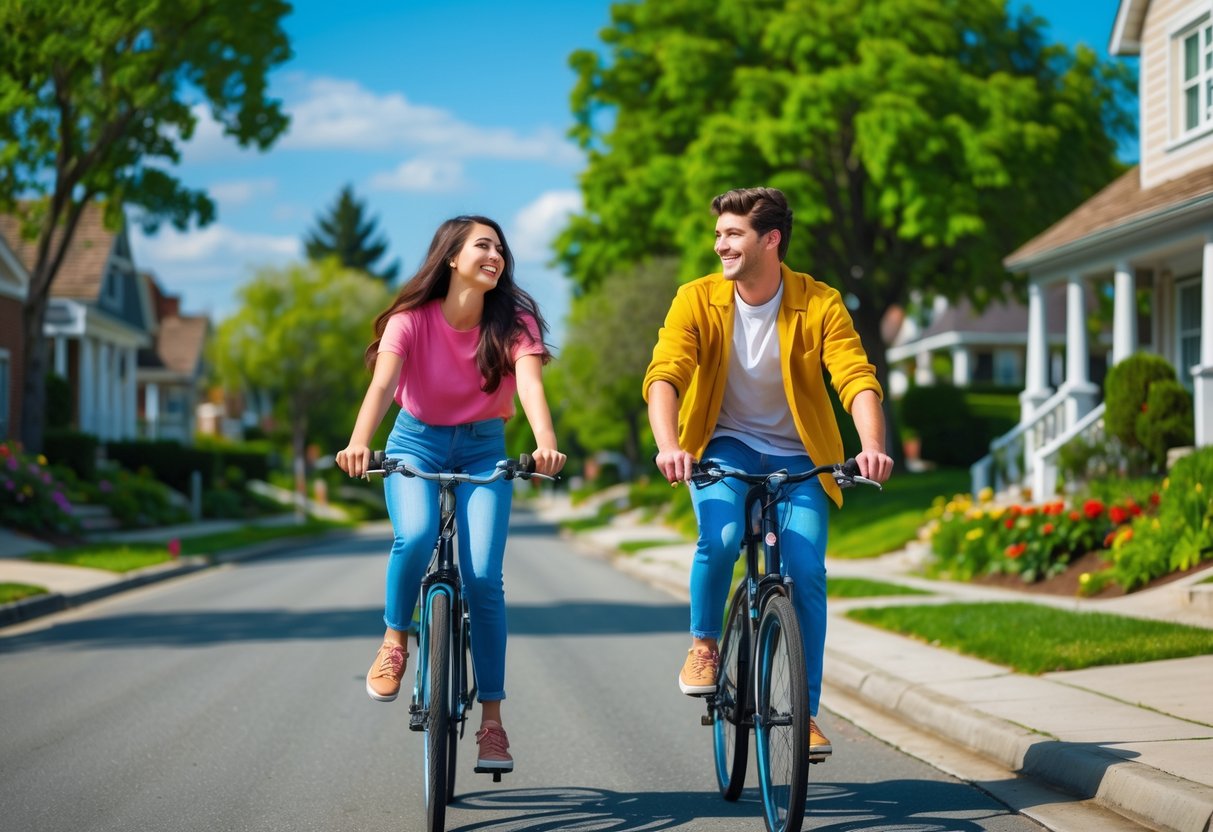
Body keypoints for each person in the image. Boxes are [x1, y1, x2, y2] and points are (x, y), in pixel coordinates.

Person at [643, 187, 893, 762]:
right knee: (723, 537)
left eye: (732, 234)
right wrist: (670, 445)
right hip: (723, 448)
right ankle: (704, 645)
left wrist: (872, 446)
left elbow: (854, 377)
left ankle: (803, 714)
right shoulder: (696, 299)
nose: (720, 245)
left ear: (771, 239)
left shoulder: (820, 303)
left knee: (806, 572)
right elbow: (666, 375)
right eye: (718, 235)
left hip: (800, 456)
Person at [336, 214, 566, 774]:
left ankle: (492, 721)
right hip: (415, 442)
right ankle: (396, 639)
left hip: (486, 447)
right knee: (414, 535)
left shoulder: (516, 321)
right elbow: (384, 385)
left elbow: (530, 384)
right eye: (483, 246)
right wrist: (359, 443)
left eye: (501, 249)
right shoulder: (409, 320)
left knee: (484, 577)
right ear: (451, 257)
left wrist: (545, 444)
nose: (496, 256)